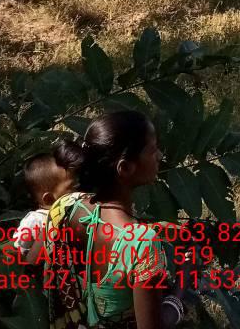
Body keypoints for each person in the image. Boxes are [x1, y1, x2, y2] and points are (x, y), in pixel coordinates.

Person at [45, 111, 194, 329]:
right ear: (124, 168)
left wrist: (154, 228)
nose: (160, 155)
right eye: (152, 150)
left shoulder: (65, 207)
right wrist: (181, 286)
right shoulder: (143, 244)